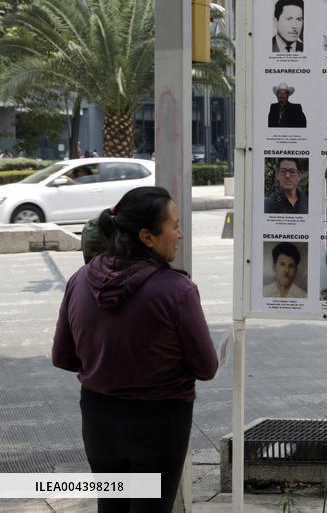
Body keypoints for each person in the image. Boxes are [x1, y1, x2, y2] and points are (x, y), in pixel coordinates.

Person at [52, 187, 217, 512]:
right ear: (147, 237)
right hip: (160, 424)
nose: (180, 234)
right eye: (174, 225)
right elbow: (206, 367)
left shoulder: (79, 280)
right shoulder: (177, 291)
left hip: (99, 420)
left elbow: (63, 357)